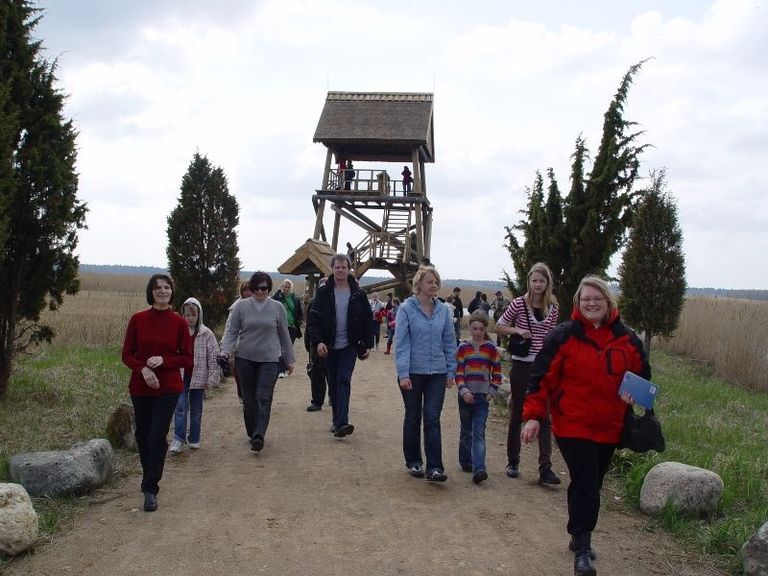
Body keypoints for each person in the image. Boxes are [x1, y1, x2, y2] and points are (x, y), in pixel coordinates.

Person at [521, 275, 650, 576]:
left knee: (593, 482)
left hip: (609, 426)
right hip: (572, 425)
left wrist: (634, 392)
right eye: (586, 299)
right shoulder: (563, 336)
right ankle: (583, 549)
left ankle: (578, 534)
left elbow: (643, 375)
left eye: (597, 298)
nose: (591, 304)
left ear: (608, 302)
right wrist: (533, 416)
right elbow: (540, 379)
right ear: (578, 303)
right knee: (586, 482)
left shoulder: (627, 340)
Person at [121, 274, 193, 512]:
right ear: (151, 292)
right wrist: (142, 369)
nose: (163, 291)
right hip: (140, 387)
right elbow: (127, 354)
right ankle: (148, 475)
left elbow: (187, 359)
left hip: (168, 388)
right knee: (143, 436)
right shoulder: (138, 319)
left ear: (172, 291)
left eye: (167, 287)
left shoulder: (179, 322)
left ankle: (150, 487)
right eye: (157, 288)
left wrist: (164, 360)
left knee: (156, 436)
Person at [495, 262, 561, 485]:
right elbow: (499, 326)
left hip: (543, 366)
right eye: (534, 280)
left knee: (545, 415)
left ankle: (545, 468)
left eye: (542, 281)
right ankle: (513, 461)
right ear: (529, 282)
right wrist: (518, 330)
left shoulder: (552, 307)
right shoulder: (518, 304)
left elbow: (552, 335)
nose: (538, 284)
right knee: (517, 412)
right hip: (522, 364)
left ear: (547, 283)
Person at [219, 271, 295, 453]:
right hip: (245, 359)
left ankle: (259, 435)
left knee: (264, 397)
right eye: (258, 288)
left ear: (269, 288)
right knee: (249, 399)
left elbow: (284, 335)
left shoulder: (278, 307)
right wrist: (225, 352)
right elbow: (232, 332)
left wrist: (289, 359)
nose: (261, 291)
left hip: (270, 360)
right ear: (252, 289)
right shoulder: (241, 307)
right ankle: (252, 431)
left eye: (265, 288)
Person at [394, 265, 457, 482]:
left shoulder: (443, 311)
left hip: (437, 372)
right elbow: (402, 343)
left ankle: (435, 468)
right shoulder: (406, 309)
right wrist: (403, 373)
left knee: (432, 418)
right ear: (419, 284)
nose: (434, 285)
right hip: (412, 372)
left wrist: (451, 371)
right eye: (430, 282)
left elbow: (449, 342)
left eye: (436, 282)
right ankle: (414, 462)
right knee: (413, 416)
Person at [307, 254, 373, 438]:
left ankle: (342, 422)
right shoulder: (323, 293)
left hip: (349, 345)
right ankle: (337, 421)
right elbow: (313, 320)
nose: (341, 270)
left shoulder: (358, 294)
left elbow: (367, 320)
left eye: (344, 267)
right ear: (332, 269)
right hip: (328, 346)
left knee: (343, 379)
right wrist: (318, 341)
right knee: (334, 383)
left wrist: (367, 344)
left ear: (349, 269)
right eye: (337, 267)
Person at [456, 310, 502, 484]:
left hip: (483, 397)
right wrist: (464, 391)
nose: (477, 332)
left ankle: (479, 468)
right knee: (466, 431)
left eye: (481, 329)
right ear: (470, 328)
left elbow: (497, 373)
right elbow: (459, 373)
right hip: (465, 396)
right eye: (474, 328)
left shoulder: (490, 349)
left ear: (485, 329)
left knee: (479, 432)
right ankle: (465, 460)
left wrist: (491, 392)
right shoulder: (463, 348)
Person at [170, 298, 220, 454]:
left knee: (196, 409)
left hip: (199, 376)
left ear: (199, 315)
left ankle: (194, 437)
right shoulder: (177, 332)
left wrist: (212, 378)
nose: (190, 319)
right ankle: (178, 438)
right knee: (180, 407)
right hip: (181, 375)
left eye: (193, 315)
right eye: (187, 315)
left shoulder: (206, 334)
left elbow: (214, 356)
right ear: (182, 315)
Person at [304, 277, 328, 412]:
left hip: (333, 343)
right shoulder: (313, 302)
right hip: (316, 342)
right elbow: (309, 324)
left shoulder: (336, 301)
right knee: (317, 373)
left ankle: (333, 397)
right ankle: (317, 401)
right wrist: (308, 342)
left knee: (333, 373)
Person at [227, 281, 253, 403]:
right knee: (239, 374)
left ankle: (251, 396)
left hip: (255, 345)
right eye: (245, 290)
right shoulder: (235, 307)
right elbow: (229, 328)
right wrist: (226, 347)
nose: (247, 293)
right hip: (239, 345)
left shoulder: (259, 306)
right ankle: (242, 395)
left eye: (249, 290)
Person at [272, 279, 304, 378]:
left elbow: (300, 312)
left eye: (288, 287)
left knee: (288, 348)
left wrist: (298, 322)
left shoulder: (295, 299)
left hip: (292, 327)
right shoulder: (277, 298)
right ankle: (281, 369)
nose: (286, 289)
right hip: (280, 326)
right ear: (281, 287)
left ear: (291, 288)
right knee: (281, 348)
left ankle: (285, 367)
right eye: (285, 287)